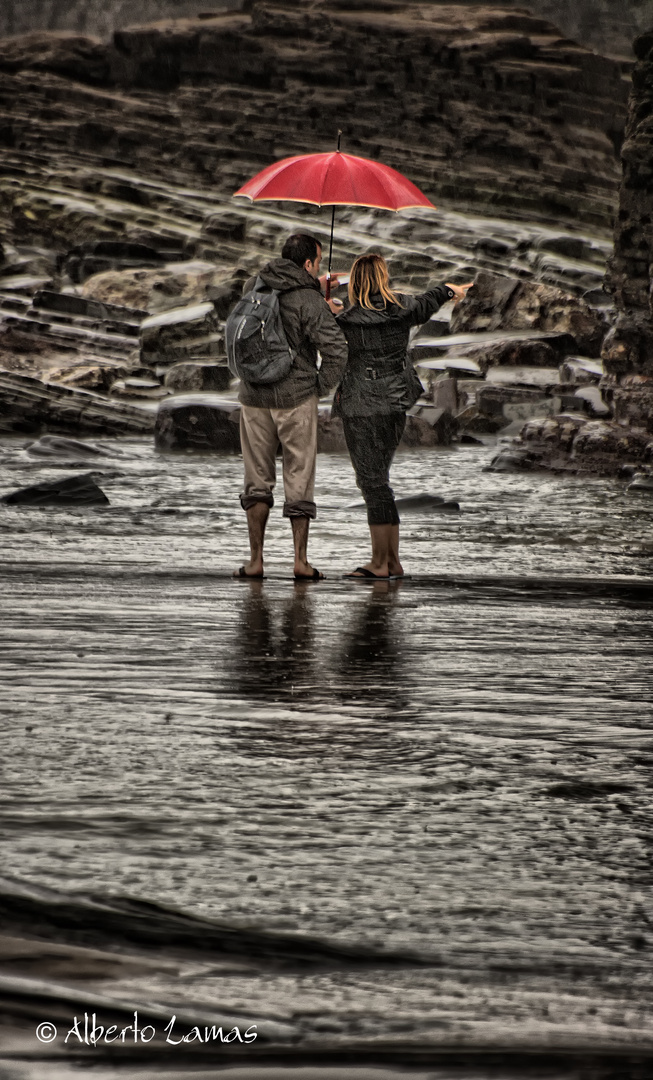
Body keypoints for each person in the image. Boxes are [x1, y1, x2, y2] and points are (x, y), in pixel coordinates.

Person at [333, 253, 472, 579]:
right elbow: (434, 296)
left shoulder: (346, 320)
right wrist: (452, 290)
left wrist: (327, 309)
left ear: (354, 282)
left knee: (372, 483)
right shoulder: (404, 308)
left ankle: (380, 563)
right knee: (380, 481)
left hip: (361, 406)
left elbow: (318, 338)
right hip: (395, 403)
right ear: (383, 278)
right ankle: (391, 562)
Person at [235, 233, 348, 581]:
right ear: (310, 263)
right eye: (319, 261)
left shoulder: (254, 286)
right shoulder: (308, 299)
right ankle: (300, 562)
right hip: (295, 397)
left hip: (253, 396)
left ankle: (255, 561)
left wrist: (317, 292)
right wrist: (317, 386)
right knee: (298, 479)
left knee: (257, 480)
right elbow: (337, 351)